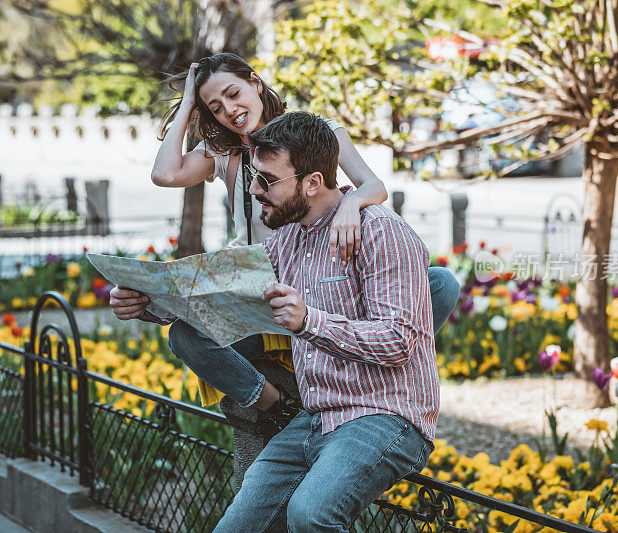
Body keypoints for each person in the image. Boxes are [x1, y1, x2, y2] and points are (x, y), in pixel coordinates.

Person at [110, 52, 459, 424]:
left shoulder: (313, 133)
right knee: (186, 337)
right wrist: (188, 105)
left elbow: (373, 185)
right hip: (260, 290)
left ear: (255, 83)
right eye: (215, 106)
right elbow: (165, 174)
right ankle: (275, 405)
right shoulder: (225, 150)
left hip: (320, 283)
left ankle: (370, 374)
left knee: (440, 282)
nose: (229, 109)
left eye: (233, 93)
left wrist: (349, 205)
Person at [215, 111, 438, 531]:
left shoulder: (383, 233)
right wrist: (147, 300)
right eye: (255, 176)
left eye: (267, 180)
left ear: (312, 182)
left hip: (384, 414)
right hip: (315, 415)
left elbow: (398, 340)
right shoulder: (290, 237)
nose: (254, 189)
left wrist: (309, 322)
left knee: (310, 514)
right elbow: (222, 287)